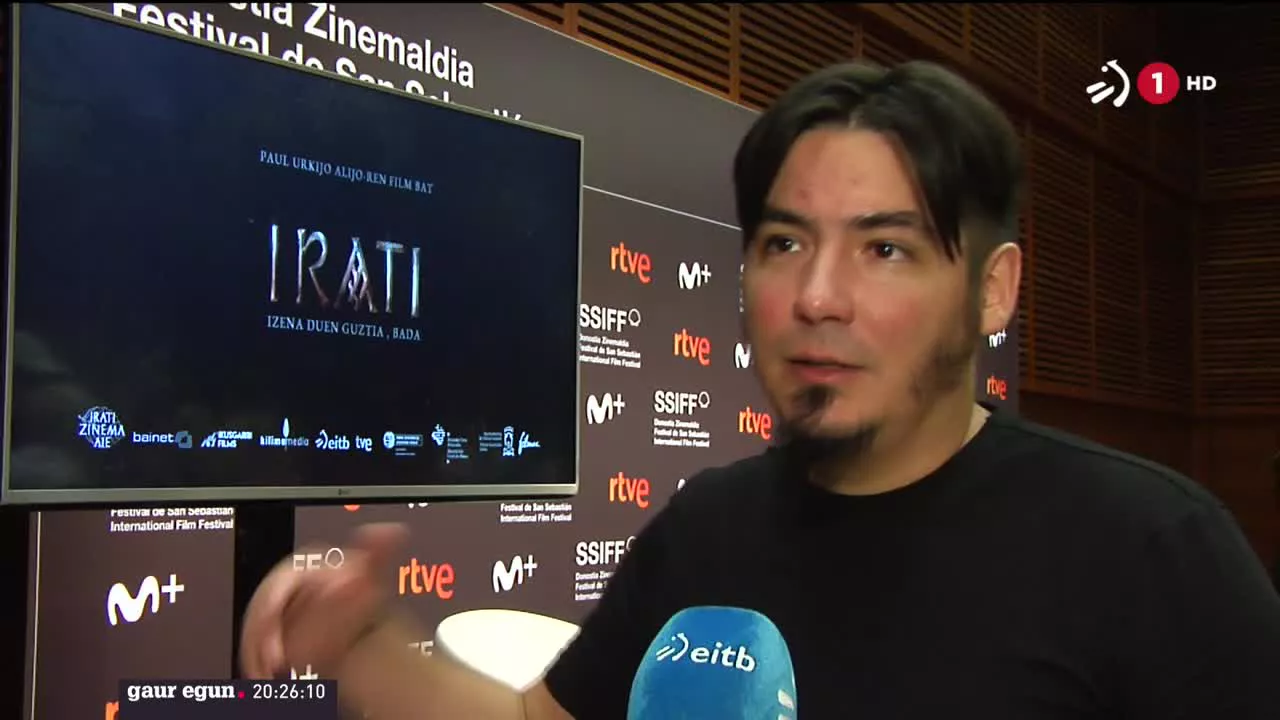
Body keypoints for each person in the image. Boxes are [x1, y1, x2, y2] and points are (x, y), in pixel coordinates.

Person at [239, 61, 1280, 718]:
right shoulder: (707, 527)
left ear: (992, 290)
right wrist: (364, 646)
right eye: (784, 243)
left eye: (885, 248)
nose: (816, 296)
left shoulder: (1150, 549)